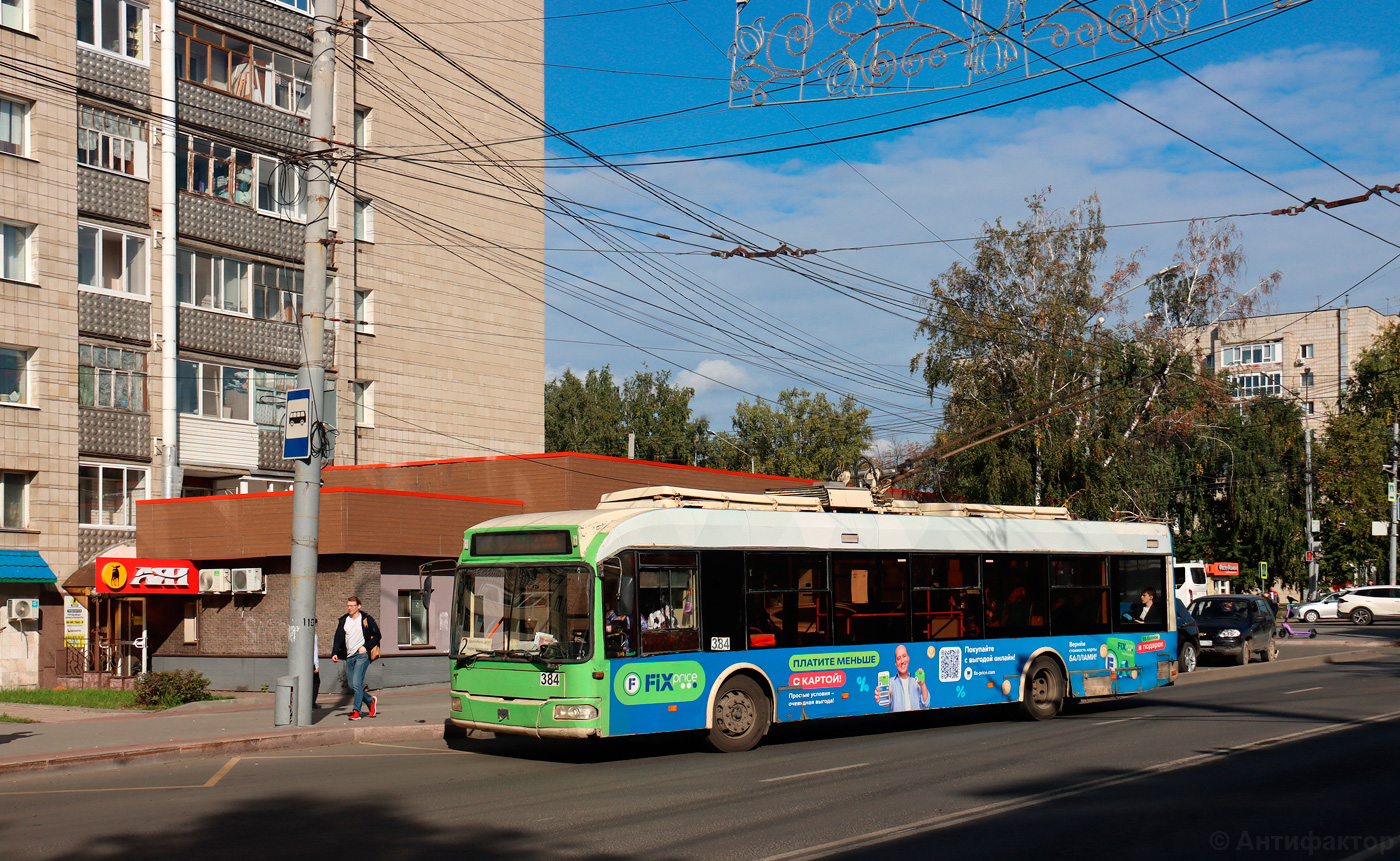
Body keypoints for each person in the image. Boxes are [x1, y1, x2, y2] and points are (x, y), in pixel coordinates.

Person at [330, 595, 381, 720]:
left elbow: (377, 635)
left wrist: (366, 647)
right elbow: (338, 638)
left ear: (359, 606)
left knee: (357, 683)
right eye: (348, 606)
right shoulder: (344, 620)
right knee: (353, 685)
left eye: (352, 606)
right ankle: (370, 700)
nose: (349, 608)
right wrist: (335, 652)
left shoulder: (366, 619)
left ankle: (356, 711)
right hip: (349, 656)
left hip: (362, 655)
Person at [875, 644, 929, 712]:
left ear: (908, 658)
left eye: (904, 656)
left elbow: (926, 704)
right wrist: (885, 696)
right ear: (895, 663)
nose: (902, 661)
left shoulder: (916, 682)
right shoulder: (890, 683)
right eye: (898, 658)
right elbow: (887, 700)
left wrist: (923, 684)